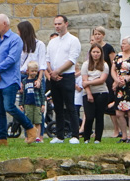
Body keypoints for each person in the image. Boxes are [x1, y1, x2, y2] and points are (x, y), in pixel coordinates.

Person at [0, 14, 37, 146]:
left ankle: (30, 128)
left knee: (9, 106)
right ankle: (2, 138)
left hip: (9, 80)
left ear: (5, 24)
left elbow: (11, 59)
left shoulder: (15, 39)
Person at [46, 15, 81, 145]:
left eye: (59, 24)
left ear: (66, 24)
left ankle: (75, 134)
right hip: (54, 77)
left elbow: (72, 60)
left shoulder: (73, 40)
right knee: (58, 107)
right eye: (55, 24)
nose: (57, 26)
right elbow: (48, 58)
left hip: (66, 76)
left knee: (70, 106)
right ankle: (59, 135)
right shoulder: (52, 42)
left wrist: (57, 71)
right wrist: (52, 72)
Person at [111, 36, 130, 143]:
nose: (122, 45)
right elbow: (113, 69)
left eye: (124, 43)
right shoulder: (118, 56)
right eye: (122, 43)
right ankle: (123, 135)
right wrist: (116, 80)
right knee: (119, 112)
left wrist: (127, 79)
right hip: (119, 85)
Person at [80, 44, 110, 144]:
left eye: (98, 52)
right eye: (94, 52)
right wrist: (88, 93)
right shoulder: (85, 64)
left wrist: (88, 82)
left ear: (101, 53)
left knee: (99, 116)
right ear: (90, 53)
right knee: (89, 116)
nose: (96, 54)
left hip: (101, 92)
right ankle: (86, 137)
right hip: (88, 92)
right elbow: (84, 79)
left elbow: (102, 80)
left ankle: (98, 138)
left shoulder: (104, 65)